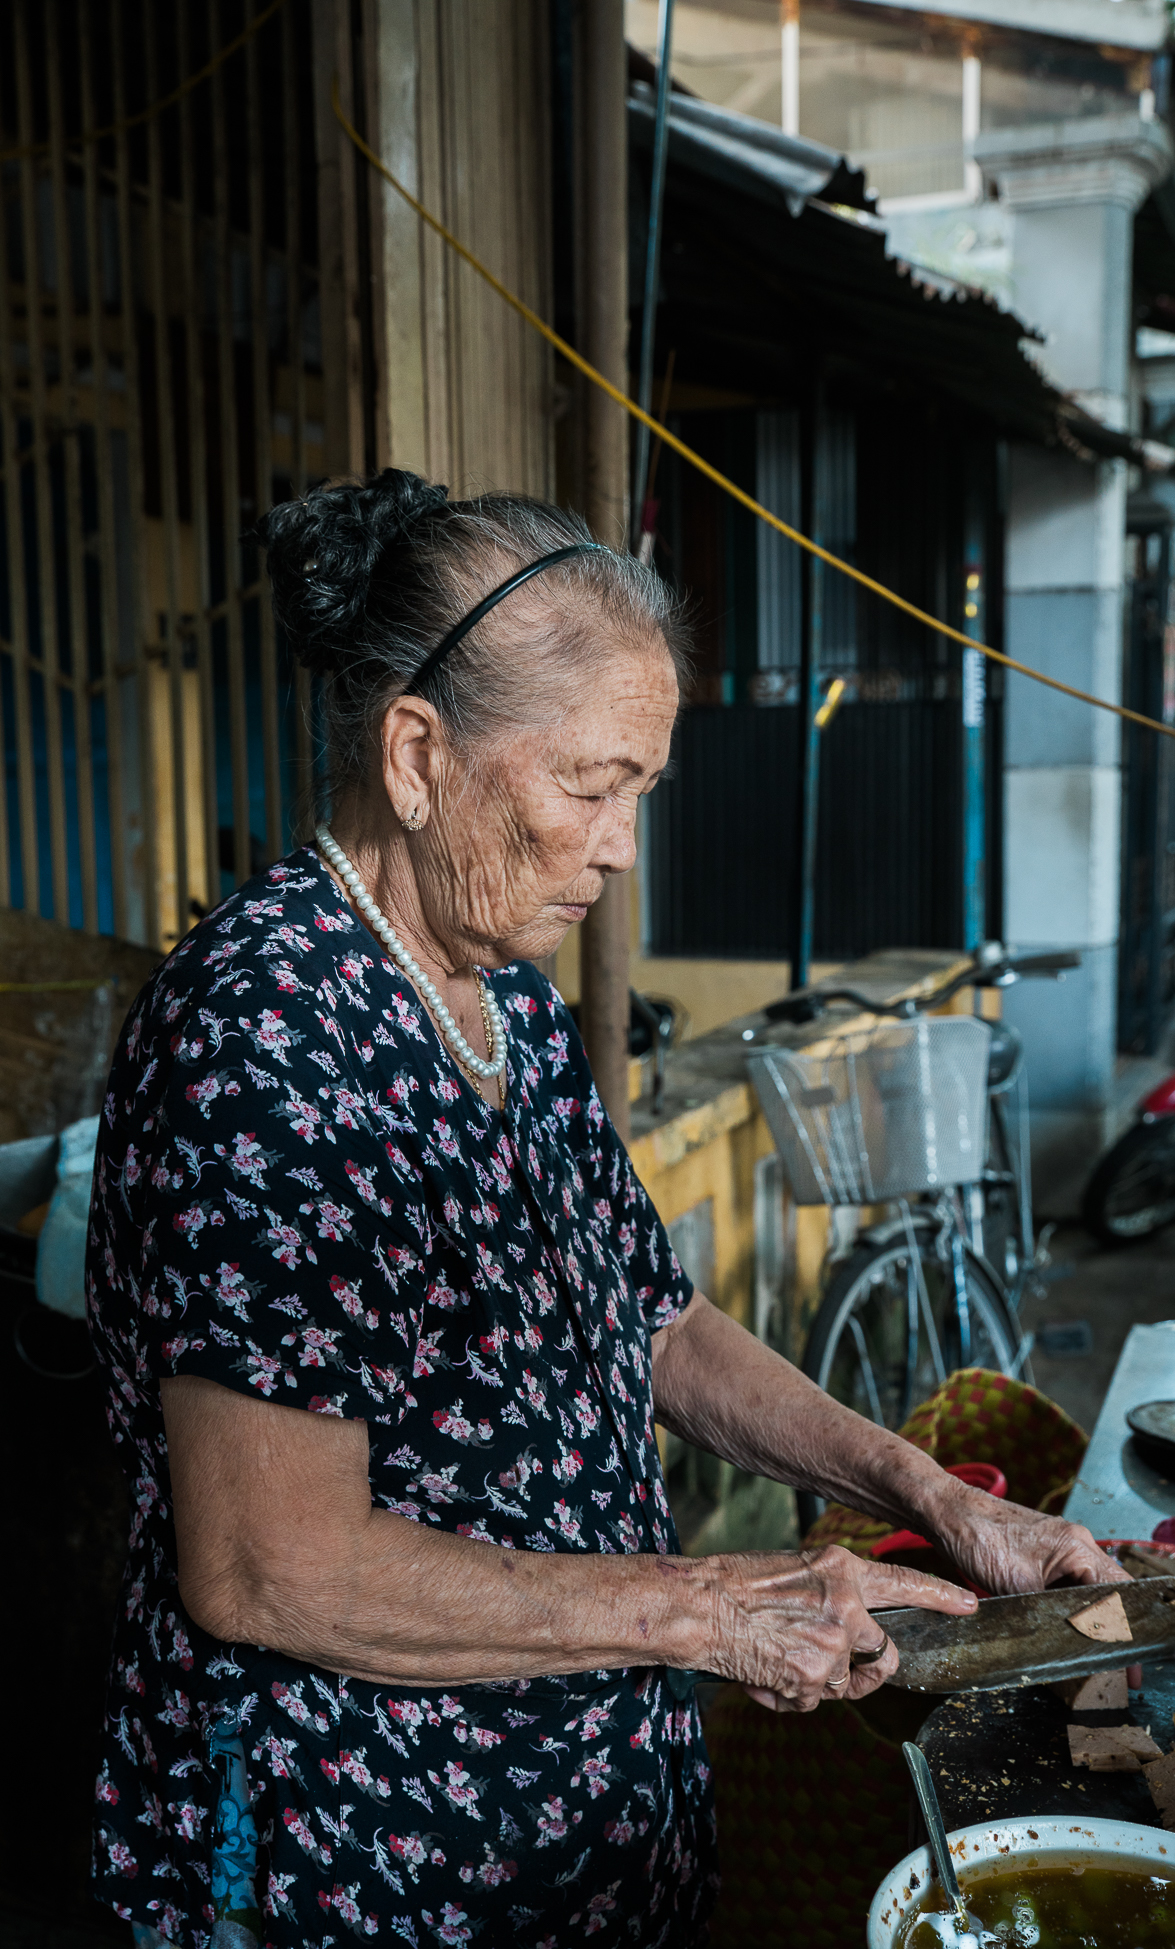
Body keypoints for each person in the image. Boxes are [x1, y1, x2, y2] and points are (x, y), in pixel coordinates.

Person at [87, 471, 1122, 1949]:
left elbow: (658, 1321)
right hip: (368, 1854)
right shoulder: (263, 1036)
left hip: (579, 1812)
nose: (624, 843)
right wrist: (712, 1608)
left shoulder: (502, 994)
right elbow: (270, 1563)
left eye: (641, 788)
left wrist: (928, 1489)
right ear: (417, 754)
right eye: (590, 784)